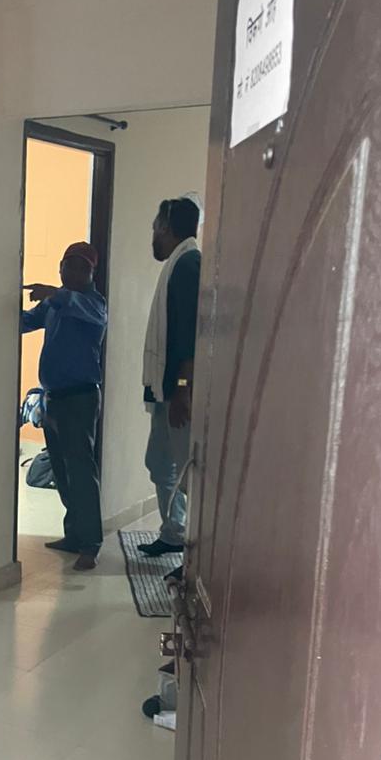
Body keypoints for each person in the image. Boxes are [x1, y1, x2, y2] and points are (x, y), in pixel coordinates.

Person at [21, 242, 106, 571]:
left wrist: (53, 293)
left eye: (80, 268)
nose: (71, 272)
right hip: (53, 399)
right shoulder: (54, 304)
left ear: (91, 273)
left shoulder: (93, 305)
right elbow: (26, 322)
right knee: (61, 471)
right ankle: (73, 535)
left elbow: (71, 303)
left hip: (80, 400)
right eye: (67, 265)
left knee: (81, 473)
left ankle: (90, 545)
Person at [140, 194, 202, 558]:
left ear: (166, 227)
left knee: (186, 474)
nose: (153, 235)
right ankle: (174, 533)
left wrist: (182, 390)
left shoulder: (188, 264)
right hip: (165, 389)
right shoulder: (179, 262)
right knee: (161, 464)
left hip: (177, 392)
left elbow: (190, 335)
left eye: (154, 228)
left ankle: (195, 553)